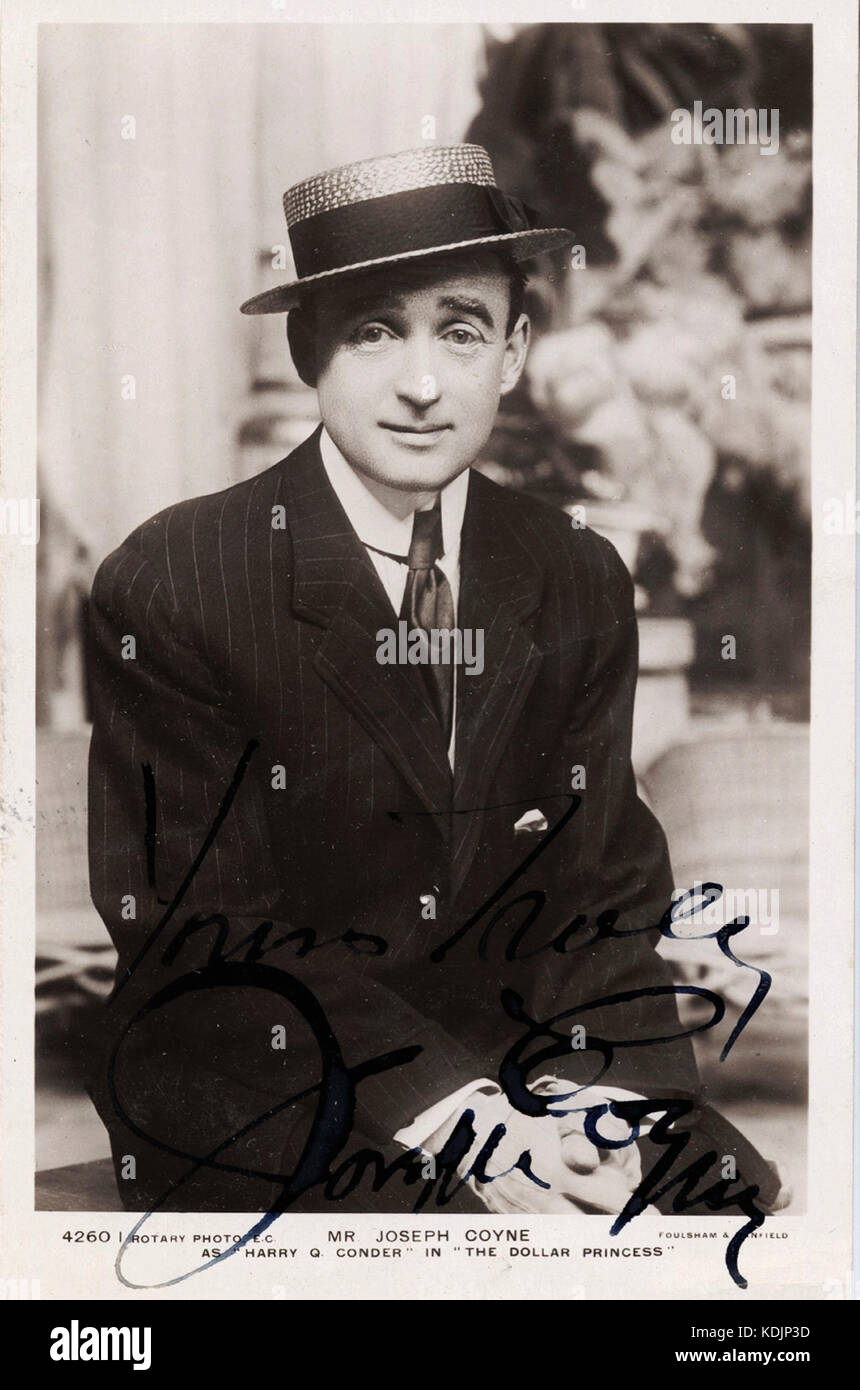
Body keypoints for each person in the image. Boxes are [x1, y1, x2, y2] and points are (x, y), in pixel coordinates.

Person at [86, 144, 776, 1219]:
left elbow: (601, 886)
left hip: (521, 1059)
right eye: (372, 330)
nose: (420, 384)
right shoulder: (175, 580)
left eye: (458, 330)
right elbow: (202, 931)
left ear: (512, 353)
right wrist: (465, 1125)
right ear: (309, 350)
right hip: (269, 1064)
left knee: (715, 1199)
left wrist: (593, 1108)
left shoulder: (574, 571)